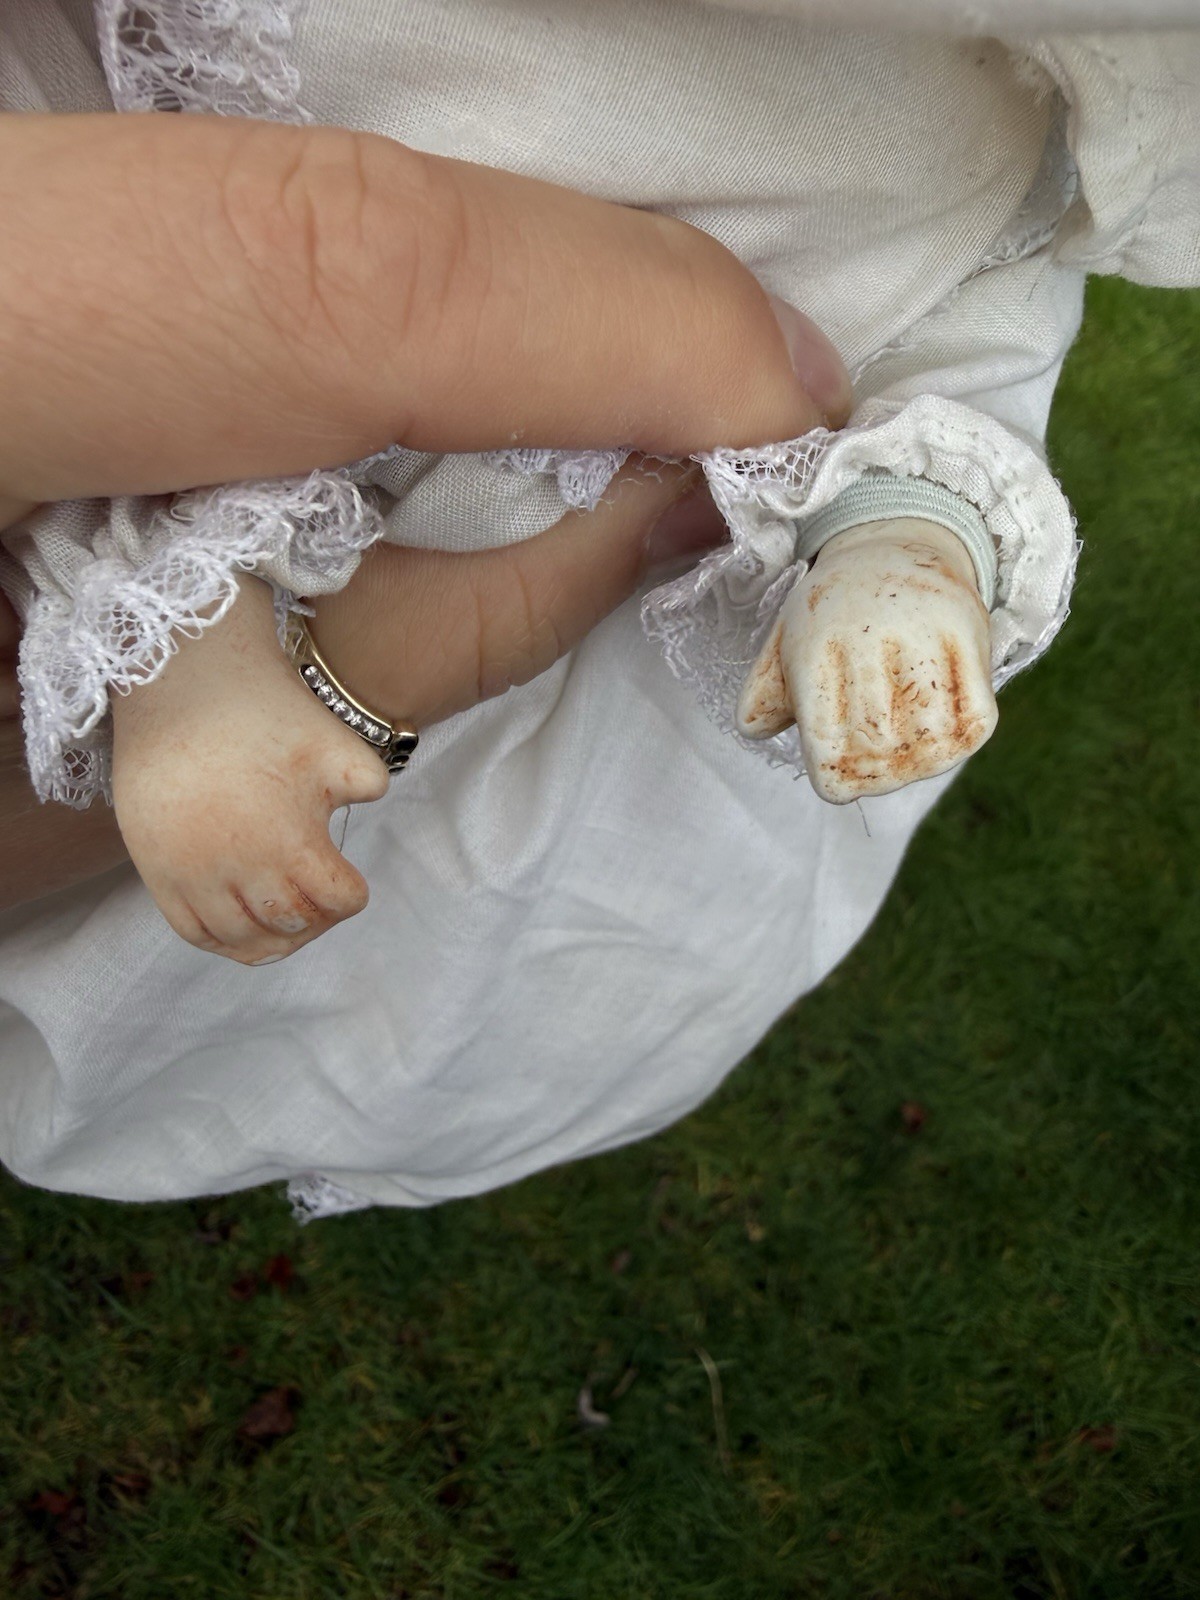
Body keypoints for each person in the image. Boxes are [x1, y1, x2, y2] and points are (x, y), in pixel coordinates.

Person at [0, 0, 1196, 1215]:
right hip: (217, 446)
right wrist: (183, 641)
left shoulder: (978, 100)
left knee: (483, 927)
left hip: (605, 642)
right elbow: (77, 232)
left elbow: (966, 347)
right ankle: (187, 684)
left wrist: (901, 542)